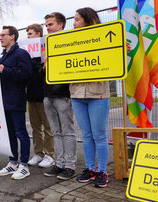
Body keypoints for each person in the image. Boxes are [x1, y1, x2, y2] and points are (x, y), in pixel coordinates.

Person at [71, 7, 110, 188]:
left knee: (99, 135)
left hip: (98, 94)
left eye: (77, 19)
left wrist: (120, 51)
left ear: (88, 20)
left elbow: (113, 64)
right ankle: (91, 169)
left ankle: (102, 171)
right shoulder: (68, 42)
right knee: (86, 135)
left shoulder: (104, 39)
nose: (74, 23)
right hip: (76, 94)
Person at [42, 12, 78, 180]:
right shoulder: (46, 45)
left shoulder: (69, 42)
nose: (48, 28)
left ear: (61, 25)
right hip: (48, 94)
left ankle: (70, 166)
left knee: (67, 131)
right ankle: (59, 163)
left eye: (51, 24)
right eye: (46, 25)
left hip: (63, 94)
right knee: (56, 131)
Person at [0, 26, 33, 180]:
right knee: (9, 132)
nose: (0, 38)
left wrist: (6, 70)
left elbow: (26, 75)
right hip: (4, 100)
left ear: (12, 36)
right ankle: (13, 162)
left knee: (20, 132)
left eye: (3, 35)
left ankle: (24, 164)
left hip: (16, 99)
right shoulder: (3, 55)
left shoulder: (21, 53)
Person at [25, 24, 56, 168]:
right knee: (35, 126)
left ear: (38, 34)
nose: (28, 37)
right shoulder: (27, 54)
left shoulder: (45, 52)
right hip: (31, 95)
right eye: (27, 34)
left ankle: (50, 154)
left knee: (48, 127)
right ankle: (38, 153)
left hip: (44, 94)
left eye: (30, 34)